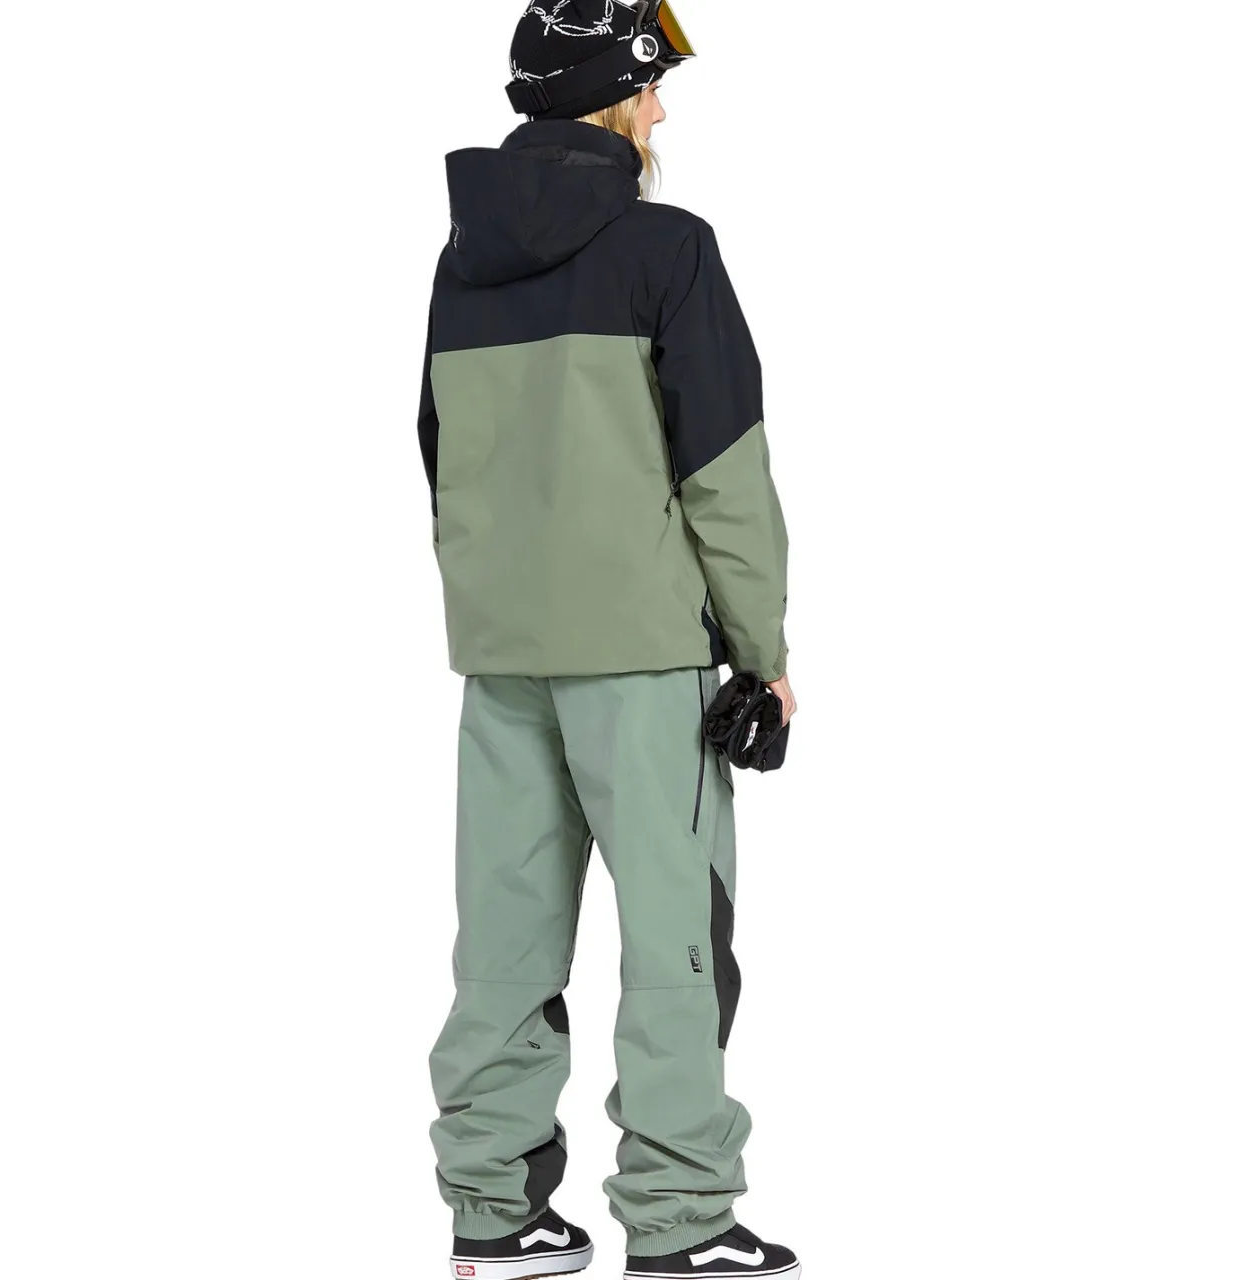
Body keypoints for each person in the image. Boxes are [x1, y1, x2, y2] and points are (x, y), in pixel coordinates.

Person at [419, 4, 798, 1278]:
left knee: (504, 932)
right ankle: (681, 1218)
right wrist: (760, 650)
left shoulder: (460, 260)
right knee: (675, 934)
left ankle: (492, 1209)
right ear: (610, 96)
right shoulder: (665, 246)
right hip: (639, 657)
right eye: (649, 89)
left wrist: (495, 596)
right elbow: (722, 468)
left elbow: (439, 452)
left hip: (500, 653)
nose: (661, 112)